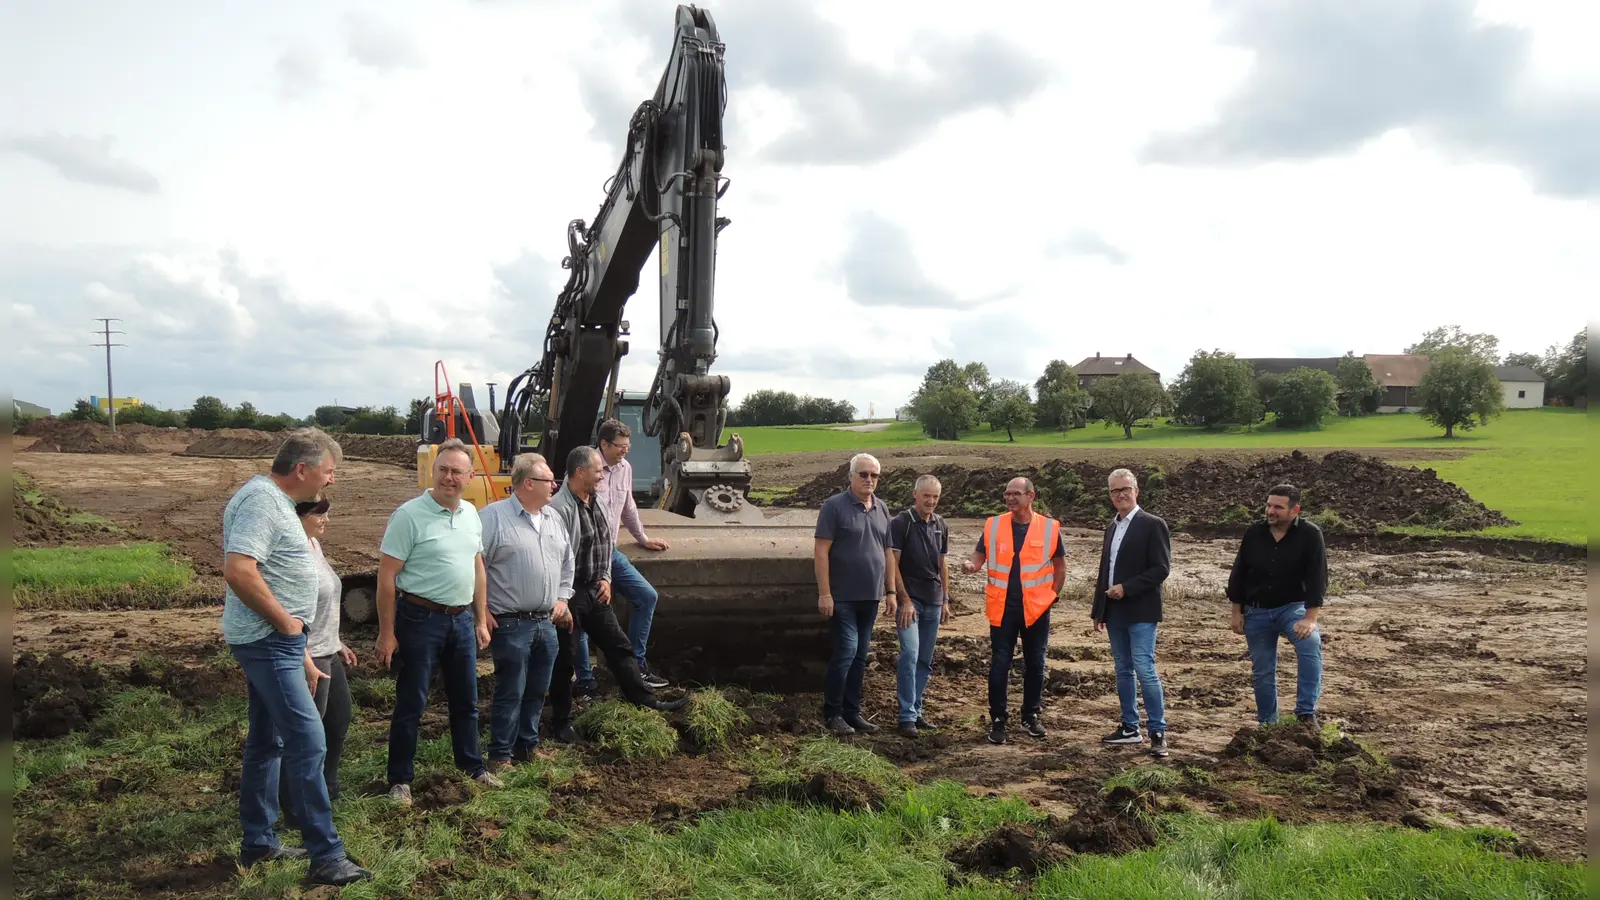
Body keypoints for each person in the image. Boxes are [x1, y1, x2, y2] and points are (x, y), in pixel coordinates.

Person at [220, 428, 370, 886]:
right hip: (268, 640)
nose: (332, 480)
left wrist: (297, 644)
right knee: (308, 742)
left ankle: (259, 842)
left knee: (267, 743)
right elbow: (239, 570)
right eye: (329, 471)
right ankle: (326, 855)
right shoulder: (262, 501)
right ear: (302, 469)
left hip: (279, 643)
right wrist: (287, 624)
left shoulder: (275, 501)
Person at [376, 438, 502, 808]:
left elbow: (477, 568)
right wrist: (387, 633)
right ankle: (400, 780)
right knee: (412, 702)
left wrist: (480, 618)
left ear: (470, 477)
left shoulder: (471, 514)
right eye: (443, 470)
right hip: (419, 619)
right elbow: (386, 577)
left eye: (456, 472)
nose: (449, 477)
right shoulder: (409, 516)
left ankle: (472, 766)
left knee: (466, 699)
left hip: (460, 620)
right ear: (433, 472)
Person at [546, 446, 687, 743]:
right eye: (597, 471)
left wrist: (606, 578)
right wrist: (562, 599)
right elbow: (555, 559)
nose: (602, 476)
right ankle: (561, 722)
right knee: (565, 658)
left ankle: (645, 700)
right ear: (580, 472)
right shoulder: (560, 509)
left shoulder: (596, 501)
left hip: (595, 589)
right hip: (570, 593)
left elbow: (604, 545)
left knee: (619, 646)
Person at [479, 452, 575, 770]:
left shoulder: (553, 519)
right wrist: (482, 609)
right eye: (549, 480)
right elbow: (475, 565)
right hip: (510, 623)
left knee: (537, 690)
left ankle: (527, 747)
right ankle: (500, 755)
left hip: (546, 622)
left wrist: (562, 599)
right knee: (511, 690)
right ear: (529, 483)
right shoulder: (494, 517)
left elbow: (567, 563)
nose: (555, 486)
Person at [570, 418, 672, 696]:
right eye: (620, 446)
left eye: (628, 445)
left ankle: (637, 666)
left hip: (610, 552)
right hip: (583, 557)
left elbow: (628, 506)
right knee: (581, 615)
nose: (625, 450)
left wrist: (643, 538)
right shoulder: (585, 468)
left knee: (646, 596)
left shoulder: (625, 468)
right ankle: (585, 680)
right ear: (604, 444)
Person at [963, 476, 1065, 745]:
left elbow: (1059, 566)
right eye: (1007, 494)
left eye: (1015, 494)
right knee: (1000, 664)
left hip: (1036, 610)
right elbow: (979, 554)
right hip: (1002, 608)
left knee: (1036, 664)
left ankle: (1030, 716)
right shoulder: (993, 525)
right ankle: (998, 719)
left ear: (1031, 496)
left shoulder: (1049, 528)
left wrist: (1052, 596)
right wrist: (972, 565)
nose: (1010, 498)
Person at [278, 492, 358, 825]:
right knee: (306, 736)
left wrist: (337, 642)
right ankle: (297, 807)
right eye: (320, 514)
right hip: (308, 655)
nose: (326, 519)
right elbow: (289, 612)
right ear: (299, 516)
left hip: (327, 650)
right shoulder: (293, 554)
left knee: (338, 719)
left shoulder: (314, 545)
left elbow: (321, 603)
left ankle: (326, 788)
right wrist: (305, 659)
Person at [1227, 483, 1328, 726]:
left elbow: (1318, 577)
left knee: (1310, 644)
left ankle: (1306, 714)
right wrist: (1236, 612)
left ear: (1295, 510)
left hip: (1292, 609)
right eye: (1268, 505)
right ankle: (1268, 724)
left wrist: (1310, 618)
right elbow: (1239, 572)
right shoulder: (1254, 533)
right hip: (1257, 610)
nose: (1271, 511)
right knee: (1262, 670)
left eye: (1278, 507)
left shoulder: (1310, 534)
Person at [1090, 468, 1172, 758]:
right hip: (1115, 612)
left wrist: (1127, 588)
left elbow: (1161, 569)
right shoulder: (1111, 528)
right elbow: (1105, 570)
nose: (1120, 494)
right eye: (1115, 490)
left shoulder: (1153, 524)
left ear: (1136, 491)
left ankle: (1157, 732)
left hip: (1141, 609)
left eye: (1125, 489)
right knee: (1123, 669)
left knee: (1144, 668)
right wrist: (1099, 611)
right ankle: (1129, 727)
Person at [814, 452, 896, 737]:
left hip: (870, 596)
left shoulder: (882, 508)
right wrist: (825, 593)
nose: (869, 479)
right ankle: (833, 712)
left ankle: (852, 711)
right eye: (863, 474)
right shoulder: (834, 506)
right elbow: (821, 552)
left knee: (861, 655)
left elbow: (888, 552)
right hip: (842, 596)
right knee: (847, 651)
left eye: (874, 475)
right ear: (851, 476)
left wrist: (890, 591)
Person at [889, 474, 951, 738]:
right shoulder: (901, 523)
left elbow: (942, 564)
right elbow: (892, 563)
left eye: (935, 497)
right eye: (926, 496)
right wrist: (903, 599)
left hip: (934, 600)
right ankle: (906, 716)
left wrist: (945, 599)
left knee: (924, 659)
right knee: (910, 654)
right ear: (915, 494)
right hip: (910, 601)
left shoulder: (941, 524)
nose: (931, 501)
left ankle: (916, 710)